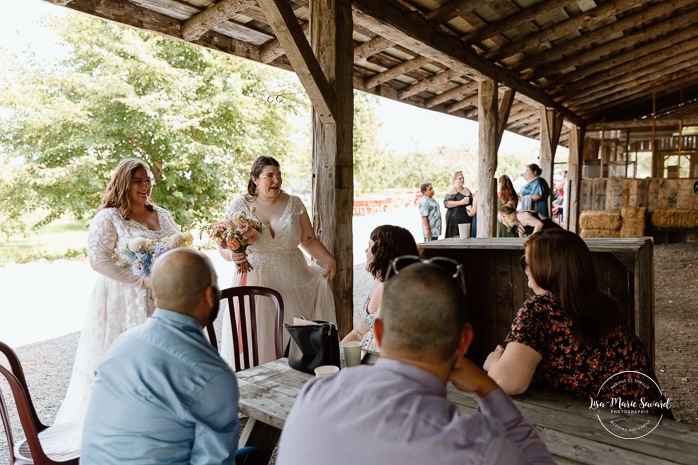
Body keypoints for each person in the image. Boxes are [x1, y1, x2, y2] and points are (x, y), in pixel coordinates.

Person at [277, 258, 555, 465]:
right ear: (464, 341)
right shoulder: (480, 448)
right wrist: (488, 388)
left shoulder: (314, 395)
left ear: (379, 332)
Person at [81, 249, 259, 465]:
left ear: (155, 294)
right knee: (253, 454)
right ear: (209, 296)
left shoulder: (122, 343)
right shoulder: (212, 374)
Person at [55, 158, 181, 424]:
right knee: (128, 362)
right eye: (138, 181)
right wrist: (142, 282)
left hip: (163, 297)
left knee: (160, 360)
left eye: (148, 180)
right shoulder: (109, 217)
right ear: (124, 182)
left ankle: (160, 421)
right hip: (123, 298)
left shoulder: (162, 214)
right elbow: (98, 260)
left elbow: (177, 249)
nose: (145, 186)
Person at [484, 229, 661, 402]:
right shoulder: (601, 304)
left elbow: (506, 383)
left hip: (607, 426)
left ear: (546, 269)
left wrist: (492, 363)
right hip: (649, 420)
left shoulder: (539, 309)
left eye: (526, 262)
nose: (524, 269)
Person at [220, 156, 336, 365]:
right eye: (270, 176)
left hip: (293, 277)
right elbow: (223, 245)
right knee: (258, 333)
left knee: (292, 331)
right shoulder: (240, 204)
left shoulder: (294, 203)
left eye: (279, 175)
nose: (276, 181)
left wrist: (330, 260)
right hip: (256, 278)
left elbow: (308, 239)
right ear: (255, 179)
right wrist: (232, 256)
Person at [340, 225, 418, 351]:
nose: (366, 251)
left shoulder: (403, 291)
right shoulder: (379, 283)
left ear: (381, 251)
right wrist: (338, 354)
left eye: (369, 246)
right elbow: (357, 334)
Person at [443, 170, 473, 238]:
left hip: (466, 217)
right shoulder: (453, 189)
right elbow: (446, 203)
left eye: (463, 178)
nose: (462, 180)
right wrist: (461, 202)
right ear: (455, 179)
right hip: (455, 218)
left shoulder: (467, 189)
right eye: (460, 178)